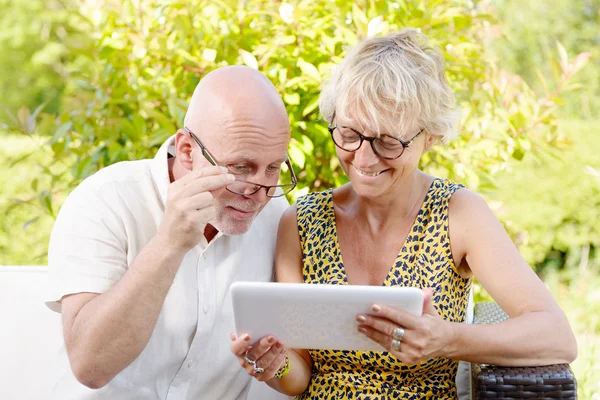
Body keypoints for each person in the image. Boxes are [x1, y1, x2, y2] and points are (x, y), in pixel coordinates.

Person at [229, 29, 577, 399]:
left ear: (431, 136)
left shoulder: (457, 214)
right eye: (349, 135)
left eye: (388, 142)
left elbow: (556, 336)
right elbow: (300, 375)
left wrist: (446, 339)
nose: (363, 160)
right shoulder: (301, 222)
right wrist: (274, 365)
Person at [45, 66, 297, 399]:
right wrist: (168, 244)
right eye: (240, 167)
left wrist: (276, 362)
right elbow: (91, 367)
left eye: (274, 167)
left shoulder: (277, 218)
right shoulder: (104, 201)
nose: (262, 191)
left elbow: (294, 357)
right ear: (188, 151)